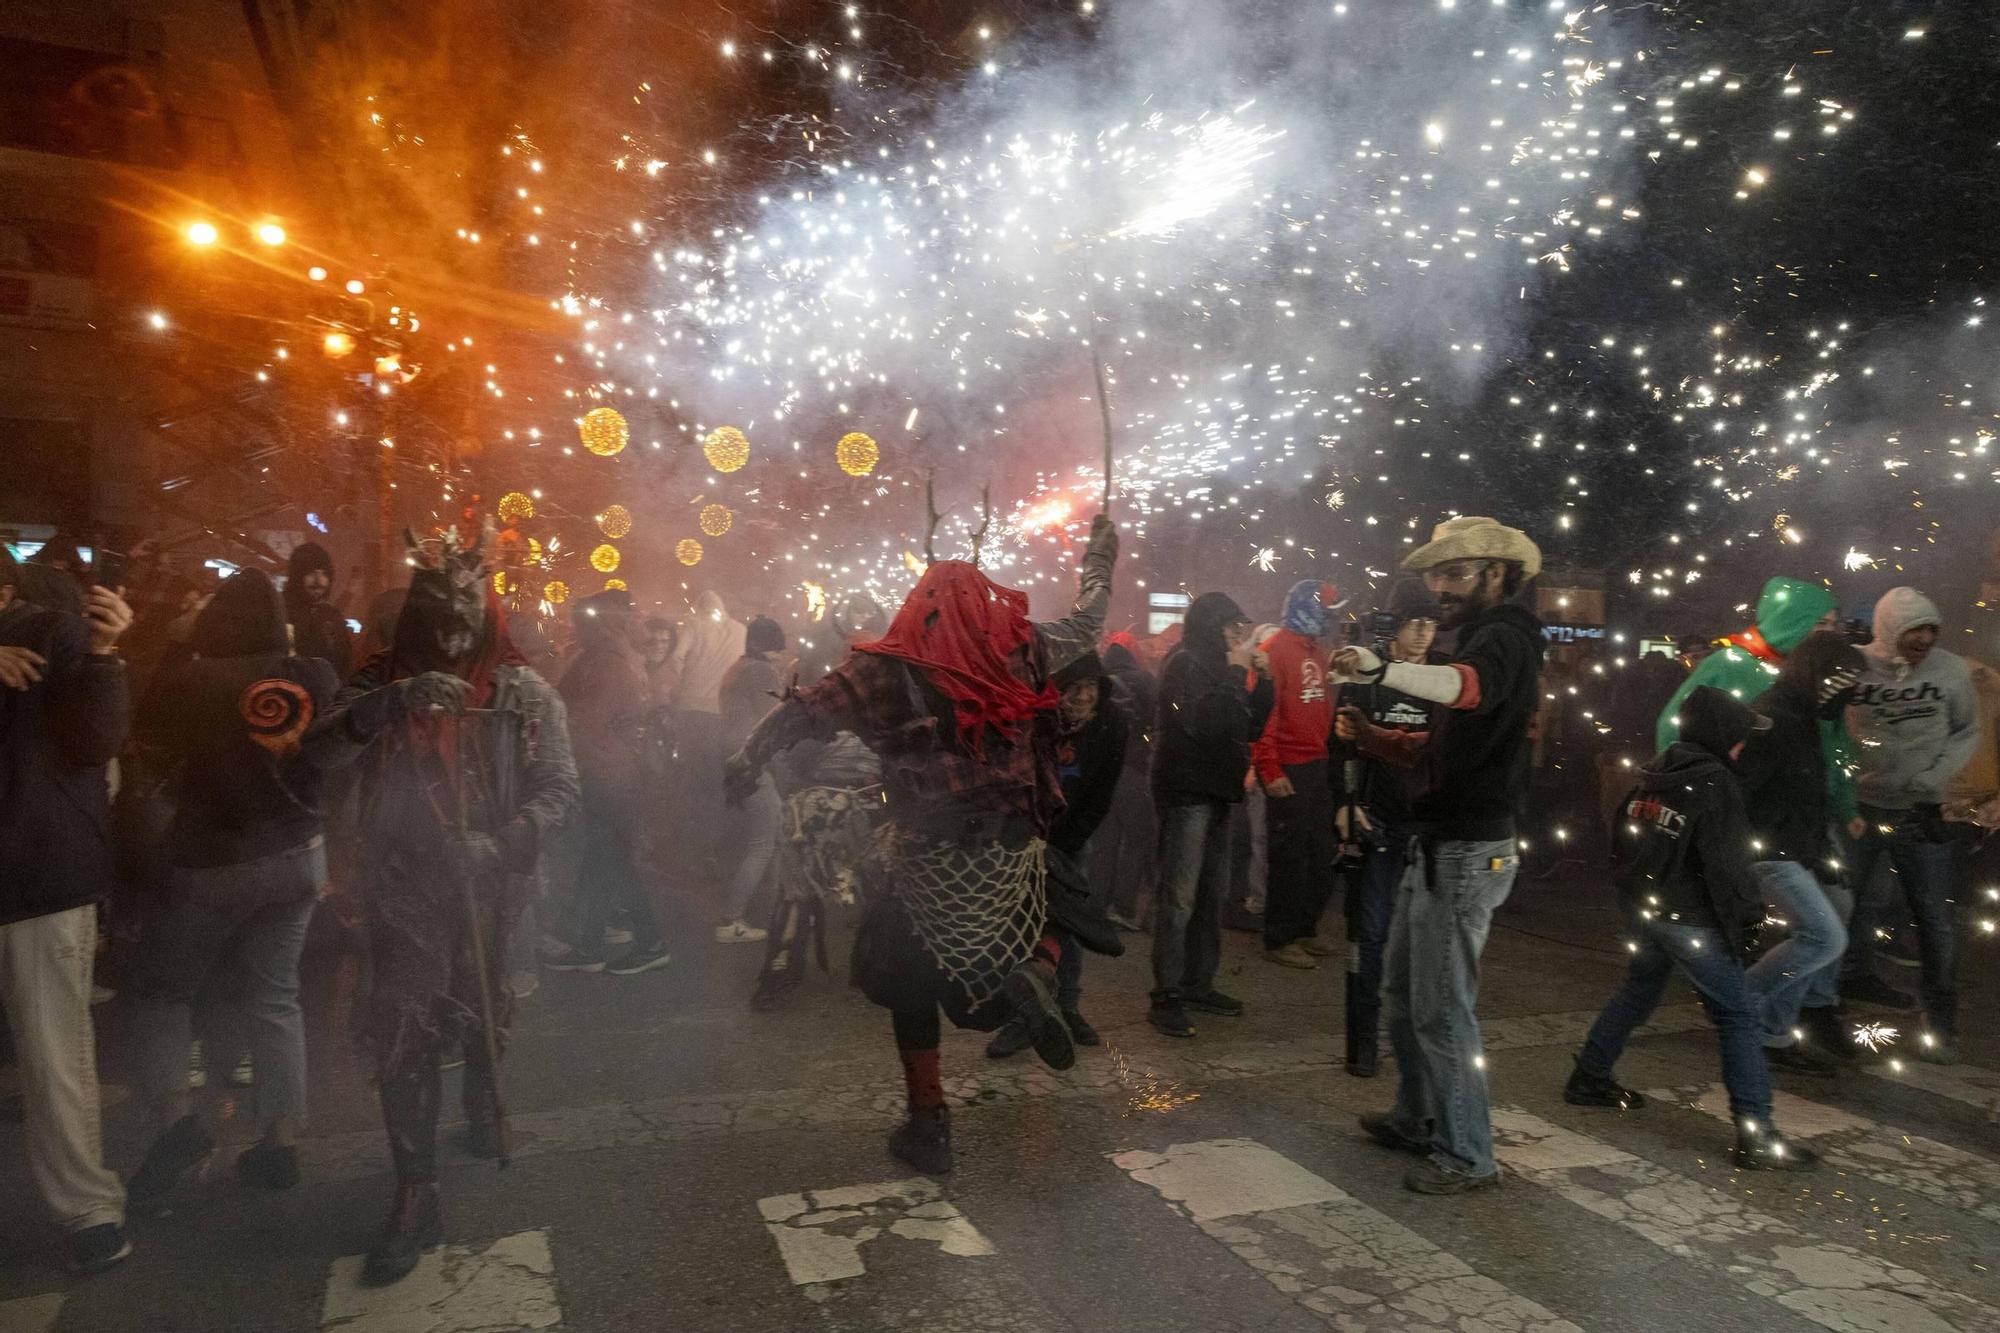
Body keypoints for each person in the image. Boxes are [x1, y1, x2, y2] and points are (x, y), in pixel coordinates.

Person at [724, 516, 1118, 1176]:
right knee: (1063, 900)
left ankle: (929, 1121)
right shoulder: (1026, 647)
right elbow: (1089, 618)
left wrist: (745, 758)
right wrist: (1101, 557)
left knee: (904, 977)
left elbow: (803, 709)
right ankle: (1040, 971)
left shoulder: (882, 668)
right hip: (1011, 854)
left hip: (927, 860)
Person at [302, 527, 578, 1284]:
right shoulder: (378, 683)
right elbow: (316, 753)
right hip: (403, 888)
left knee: (485, 1008)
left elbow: (560, 788)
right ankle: (414, 1193)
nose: (454, 640)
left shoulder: (525, 692)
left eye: (468, 623)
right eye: (438, 624)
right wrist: (390, 704)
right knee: (406, 1033)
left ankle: (485, 1095)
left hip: (494, 885)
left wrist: (507, 840)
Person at [1333, 516, 1544, 1195]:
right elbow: (1445, 750)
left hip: (1466, 851)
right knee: (1402, 992)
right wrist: (1373, 738)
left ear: (1497, 574)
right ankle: (1417, 1117)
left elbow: (1467, 688)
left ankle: (1467, 1152)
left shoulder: (1506, 637)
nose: (1439, 588)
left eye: (1455, 573)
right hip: (1439, 842)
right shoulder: (1481, 636)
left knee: (1443, 1009)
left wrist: (1384, 669)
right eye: (1434, 575)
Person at [122, 570, 338, 1208]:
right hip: (299, 857)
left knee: (164, 994)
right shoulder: (316, 676)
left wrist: (178, 642)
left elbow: (146, 737)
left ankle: (177, 1126)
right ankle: (278, 1142)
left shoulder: (189, 681)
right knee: (276, 996)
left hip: (211, 862)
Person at [1564, 686, 1817, 1171]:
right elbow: (1730, 867)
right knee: (1738, 1017)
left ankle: (1589, 1077)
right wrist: (1746, 928)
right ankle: (1756, 1133)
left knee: (1639, 991)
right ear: (1722, 735)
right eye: (1741, 736)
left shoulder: (1656, 772)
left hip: (1650, 912)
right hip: (1691, 922)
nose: (1744, 746)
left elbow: (1622, 837)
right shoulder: (1713, 781)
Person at [0, 550, 135, 1272]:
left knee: (54, 1053)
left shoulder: (56, 637)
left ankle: (88, 1206)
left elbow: (97, 741)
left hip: (36, 874)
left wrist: (108, 654)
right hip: (41, 871)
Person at [1838, 588, 1980, 1056]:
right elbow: (1830, 725)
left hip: (1920, 809)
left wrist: (1932, 779)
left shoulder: (1951, 670)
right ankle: (1832, 997)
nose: (1922, 639)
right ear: (1887, 630)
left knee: (1933, 917)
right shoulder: (1854, 666)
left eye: (1929, 629)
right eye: (1911, 629)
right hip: (1862, 807)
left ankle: (1941, 1021)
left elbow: (1966, 729)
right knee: (1844, 903)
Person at [1732, 629, 1865, 1074]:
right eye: (1840, 681)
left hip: (1794, 846)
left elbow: (1807, 794)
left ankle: (1776, 1026)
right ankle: (1741, 1002)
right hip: (1769, 850)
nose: (1844, 695)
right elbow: (1743, 791)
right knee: (1823, 937)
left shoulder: (1803, 716)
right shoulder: (1772, 717)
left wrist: (1821, 853)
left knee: (1830, 919)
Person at [988, 651, 1130, 1055]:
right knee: (1017, 924)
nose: (1083, 697)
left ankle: (1067, 1007)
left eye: (1091, 688)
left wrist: (1067, 844)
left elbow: (1102, 792)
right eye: (1074, 688)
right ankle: (1020, 1018)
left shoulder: (1112, 724)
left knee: (1064, 924)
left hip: (1072, 835)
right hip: (1025, 829)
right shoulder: (1037, 718)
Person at [1148, 594, 1274, 1038]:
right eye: (1232, 626)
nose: (1238, 634)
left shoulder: (1223, 668)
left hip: (1218, 792)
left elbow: (1248, 726)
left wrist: (1265, 680)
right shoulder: (1184, 664)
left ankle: (1198, 984)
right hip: (1187, 794)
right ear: (1212, 625)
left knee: (1211, 897)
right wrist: (1239, 672)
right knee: (1179, 899)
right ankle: (1166, 995)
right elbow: (1205, 722)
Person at [1655, 575, 1860, 842]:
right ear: (1789, 620)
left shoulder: (1819, 672)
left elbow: (1835, 740)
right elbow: (1673, 730)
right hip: (1744, 822)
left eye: (1834, 624)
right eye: (1820, 623)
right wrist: (1692, 800)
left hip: (1811, 819)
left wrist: (1846, 807)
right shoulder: (1728, 665)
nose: (1829, 634)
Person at [1332, 578, 1440, 1078]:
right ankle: (1365, 1040)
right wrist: (1343, 803)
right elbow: (1341, 744)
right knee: (1370, 935)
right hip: (1375, 820)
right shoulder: (1366, 675)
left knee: (1418, 940)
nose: (1423, 633)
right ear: (1395, 625)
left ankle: (1408, 1038)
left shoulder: (1442, 681)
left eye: (1431, 623)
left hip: (1424, 827)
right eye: (1415, 622)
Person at [545, 589, 668, 974]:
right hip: (610, 772)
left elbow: (584, 722)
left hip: (606, 775)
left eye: (580, 619)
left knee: (615, 861)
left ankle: (651, 941)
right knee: (602, 860)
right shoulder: (609, 658)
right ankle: (590, 944)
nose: (574, 626)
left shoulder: (607, 663)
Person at [1255, 581, 1341, 968]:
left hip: (1315, 764)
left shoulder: (1317, 652)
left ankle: (1304, 927)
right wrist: (1269, 768)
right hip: (1288, 766)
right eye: (1327, 607)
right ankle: (1280, 937)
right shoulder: (1275, 652)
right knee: (1288, 856)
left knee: (1319, 853)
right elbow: (1264, 717)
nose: (1332, 615)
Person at [717, 617, 788, 943]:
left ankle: (771, 909)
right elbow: (775, 719)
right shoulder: (761, 671)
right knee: (762, 843)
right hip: (753, 763)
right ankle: (730, 920)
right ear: (765, 646)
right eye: (776, 650)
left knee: (768, 838)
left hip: (735, 760)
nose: (780, 656)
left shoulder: (738, 667)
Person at [667, 591, 745, 874]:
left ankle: (682, 849)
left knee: (689, 778)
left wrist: (678, 686)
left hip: (690, 711)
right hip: (722, 714)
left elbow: (676, 658)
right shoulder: (739, 630)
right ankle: (709, 850)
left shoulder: (692, 624)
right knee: (714, 784)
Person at [1092, 634, 1157, 930]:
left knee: (1105, 841)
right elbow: (1161, 718)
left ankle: (1095, 905)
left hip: (1102, 771)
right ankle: (1123, 907)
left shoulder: (1097, 680)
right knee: (1137, 839)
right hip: (1134, 768)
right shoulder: (1143, 680)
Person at [284, 541, 355, 680]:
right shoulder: (279, 611)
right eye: (311, 573)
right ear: (297, 575)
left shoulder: (332, 616)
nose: (319, 581)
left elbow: (346, 664)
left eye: (324, 574)